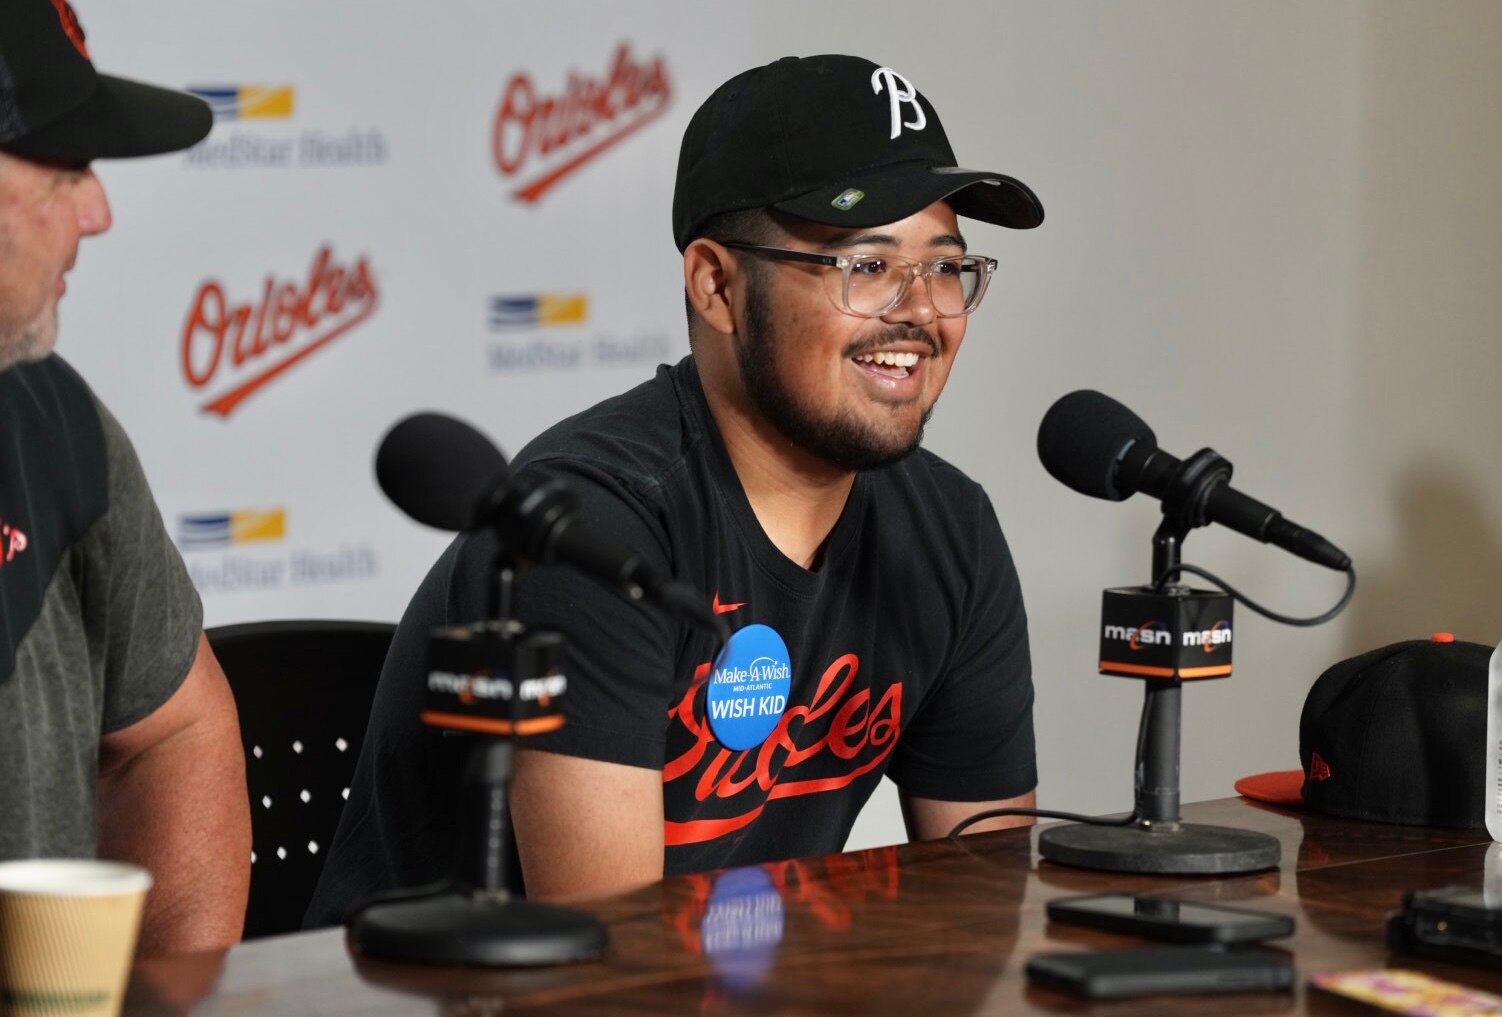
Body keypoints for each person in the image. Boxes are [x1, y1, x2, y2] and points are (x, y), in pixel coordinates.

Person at [310, 54, 1041, 919]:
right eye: (866, 265)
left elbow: (984, 912)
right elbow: (618, 964)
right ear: (717, 284)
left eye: (946, 267)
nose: (922, 311)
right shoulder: (593, 530)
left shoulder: (949, 530)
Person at [0, 0, 250, 953]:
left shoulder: (51, 414)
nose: (99, 211)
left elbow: (172, 732)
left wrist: (173, 996)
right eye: (64, 171)